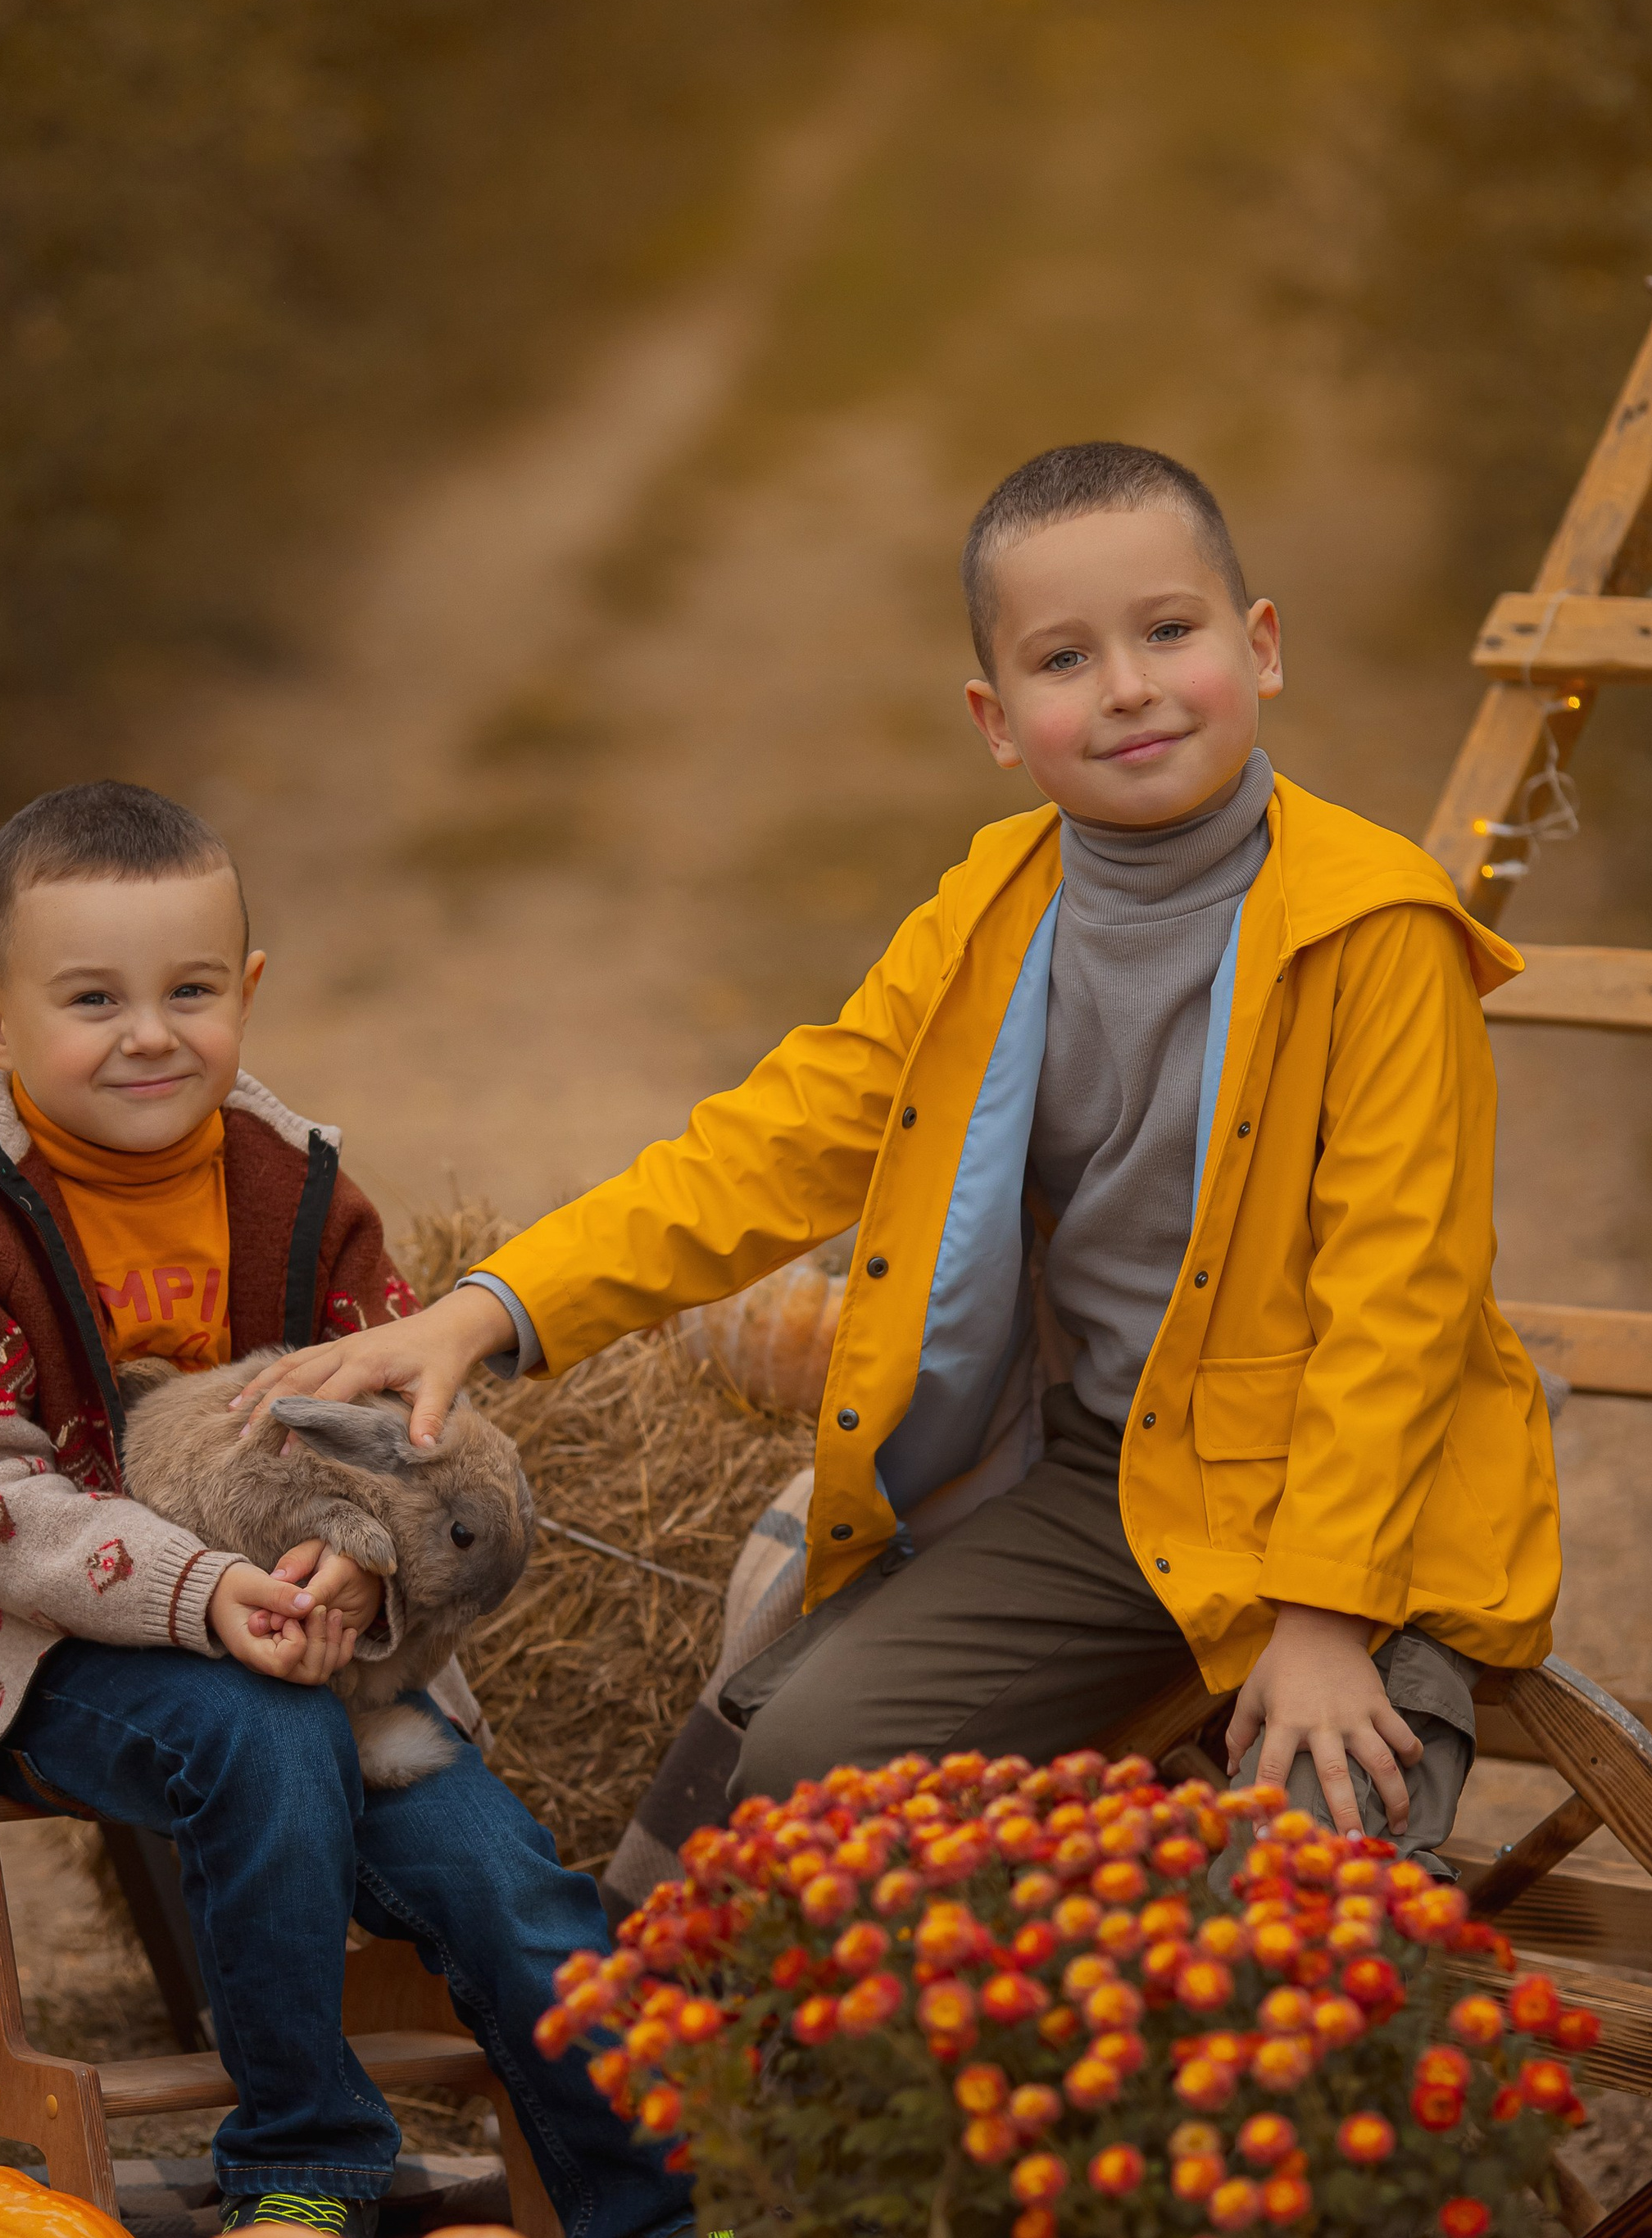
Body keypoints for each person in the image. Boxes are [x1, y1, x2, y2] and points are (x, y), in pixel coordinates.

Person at [239, 443, 1562, 1859]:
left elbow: (1399, 1305)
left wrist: (1323, 1617)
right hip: (1126, 1490)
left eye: (1170, 632)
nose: (1126, 685)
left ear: (1263, 646)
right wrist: (490, 1308)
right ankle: (880, 2047)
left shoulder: (1377, 932)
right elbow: (773, 1143)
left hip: (1373, 1527)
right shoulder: (989, 912)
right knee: (812, 1761)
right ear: (998, 720)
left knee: (1307, 1878)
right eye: (1066, 658)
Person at [0, 781, 691, 2238]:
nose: (149, 1034)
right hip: (52, 1656)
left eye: (191, 991)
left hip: (327, 1646)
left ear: (249, 991)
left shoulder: (299, 1194)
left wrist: (358, 1575)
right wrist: (203, 1598)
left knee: (501, 1869)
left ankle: (658, 2210)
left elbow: (416, 1425)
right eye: (91, 998)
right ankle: (305, 2163)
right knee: (262, 1739)